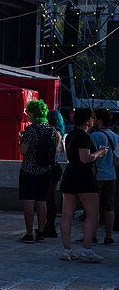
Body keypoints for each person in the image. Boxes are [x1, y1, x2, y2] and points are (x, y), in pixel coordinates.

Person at [60, 108, 107, 262]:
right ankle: (87, 249)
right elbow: (85, 158)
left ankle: (67, 250)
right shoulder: (84, 136)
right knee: (92, 213)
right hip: (84, 176)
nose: (93, 121)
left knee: (67, 214)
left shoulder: (71, 135)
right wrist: (99, 152)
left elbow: (68, 156)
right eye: (92, 118)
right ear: (87, 120)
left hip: (69, 174)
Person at [17, 100, 59, 243]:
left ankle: (29, 234)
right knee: (42, 201)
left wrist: (20, 141)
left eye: (28, 112)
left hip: (29, 170)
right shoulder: (52, 130)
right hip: (46, 170)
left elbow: (23, 151)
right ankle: (40, 233)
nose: (26, 114)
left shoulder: (30, 130)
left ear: (33, 113)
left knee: (29, 201)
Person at [90, 108, 117, 246]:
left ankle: (93, 236)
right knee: (109, 207)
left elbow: (90, 157)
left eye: (95, 118)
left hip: (98, 175)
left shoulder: (94, 136)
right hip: (111, 175)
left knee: (95, 207)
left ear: (99, 121)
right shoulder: (116, 137)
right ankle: (109, 236)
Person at [42, 109, 66, 238]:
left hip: (50, 167)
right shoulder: (59, 133)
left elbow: (51, 152)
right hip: (54, 166)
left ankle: (50, 226)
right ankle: (49, 225)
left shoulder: (53, 134)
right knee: (50, 198)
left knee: (49, 198)